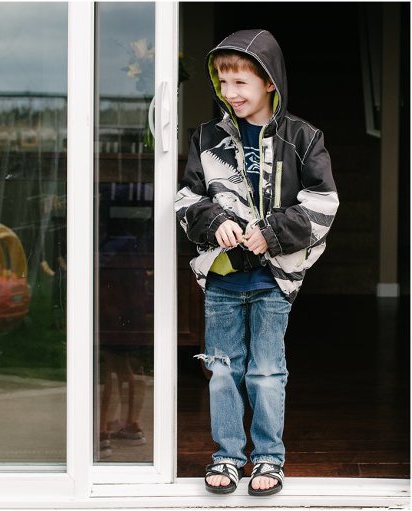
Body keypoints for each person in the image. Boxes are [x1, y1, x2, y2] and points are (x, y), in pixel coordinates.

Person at [174, 29, 339, 496]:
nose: (230, 93)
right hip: (224, 278)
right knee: (223, 369)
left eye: (241, 82)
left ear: (269, 82)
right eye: (223, 83)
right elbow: (188, 197)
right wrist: (214, 222)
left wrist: (269, 234)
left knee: (267, 371)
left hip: (273, 279)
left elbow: (323, 203)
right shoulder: (206, 137)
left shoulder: (304, 138)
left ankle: (268, 459)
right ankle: (227, 458)